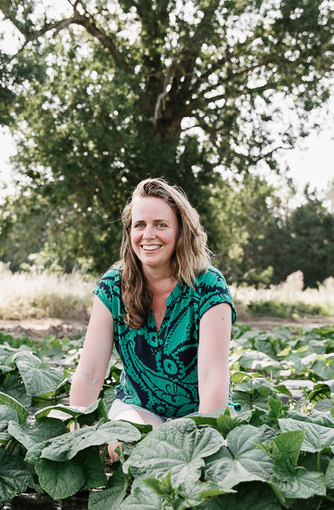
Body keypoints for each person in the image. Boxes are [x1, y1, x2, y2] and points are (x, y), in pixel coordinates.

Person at [69, 177, 236, 458]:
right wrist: (78, 435)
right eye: (139, 225)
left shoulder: (209, 285)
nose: (148, 235)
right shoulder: (113, 286)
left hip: (199, 412)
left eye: (160, 225)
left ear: (181, 231)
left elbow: (212, 377)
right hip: (139, 408)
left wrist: (204, 445)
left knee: (187, 457)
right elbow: (90, 373)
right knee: (129, 447)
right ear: (129, 232)